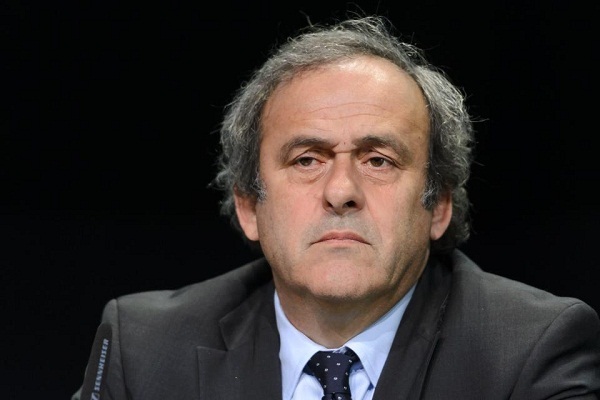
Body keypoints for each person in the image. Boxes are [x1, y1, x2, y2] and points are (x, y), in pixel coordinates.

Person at [72, 15, 600, 400]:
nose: (341, 190)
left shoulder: (530, 351)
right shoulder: (144, 348)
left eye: (378, 160)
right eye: (307, 160)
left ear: (438, 205)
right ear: (249, 206)